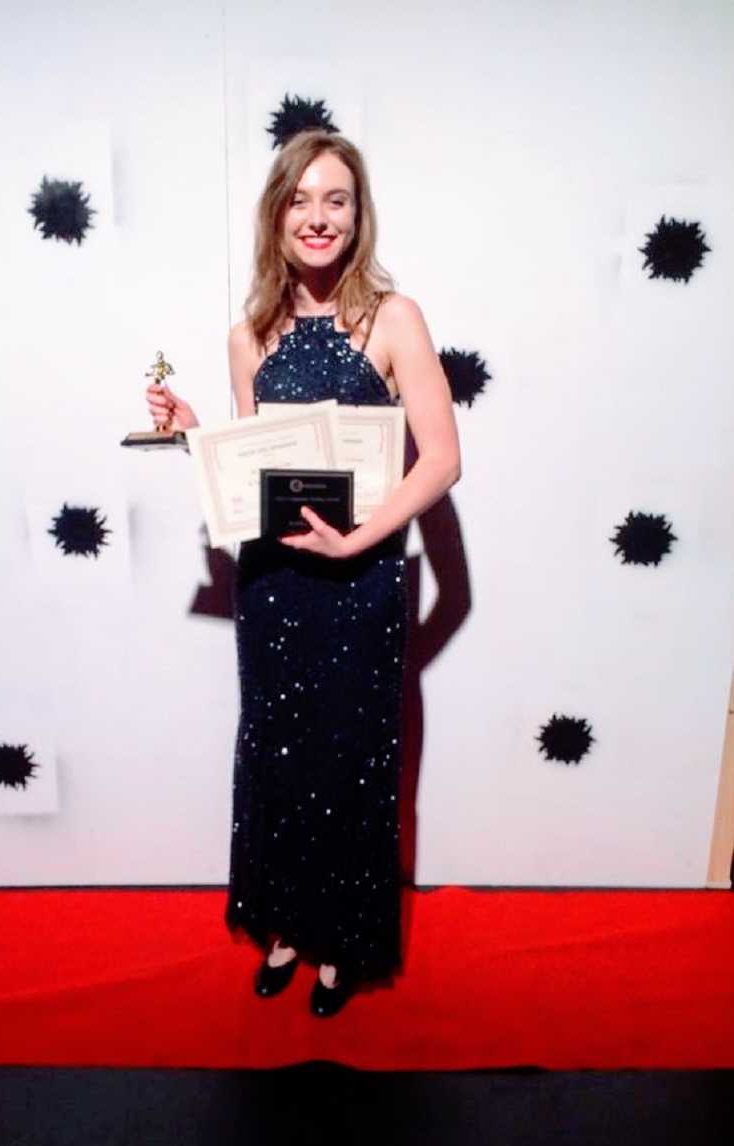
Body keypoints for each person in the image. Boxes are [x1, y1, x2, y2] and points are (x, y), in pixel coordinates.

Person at [146, 130, 460, 1016]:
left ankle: (339, 946)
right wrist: (195, 433)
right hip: (275, 587)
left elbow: (439, 460)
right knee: (279, 759)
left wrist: (364, 544)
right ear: (276, 215)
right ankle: (284, 923)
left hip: (361, 590)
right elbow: (256, 471)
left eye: (336, 201)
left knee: (350, 762)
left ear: (358, 216)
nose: (317, 218)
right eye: (300, 201)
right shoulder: (249, 334)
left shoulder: (393, 319)